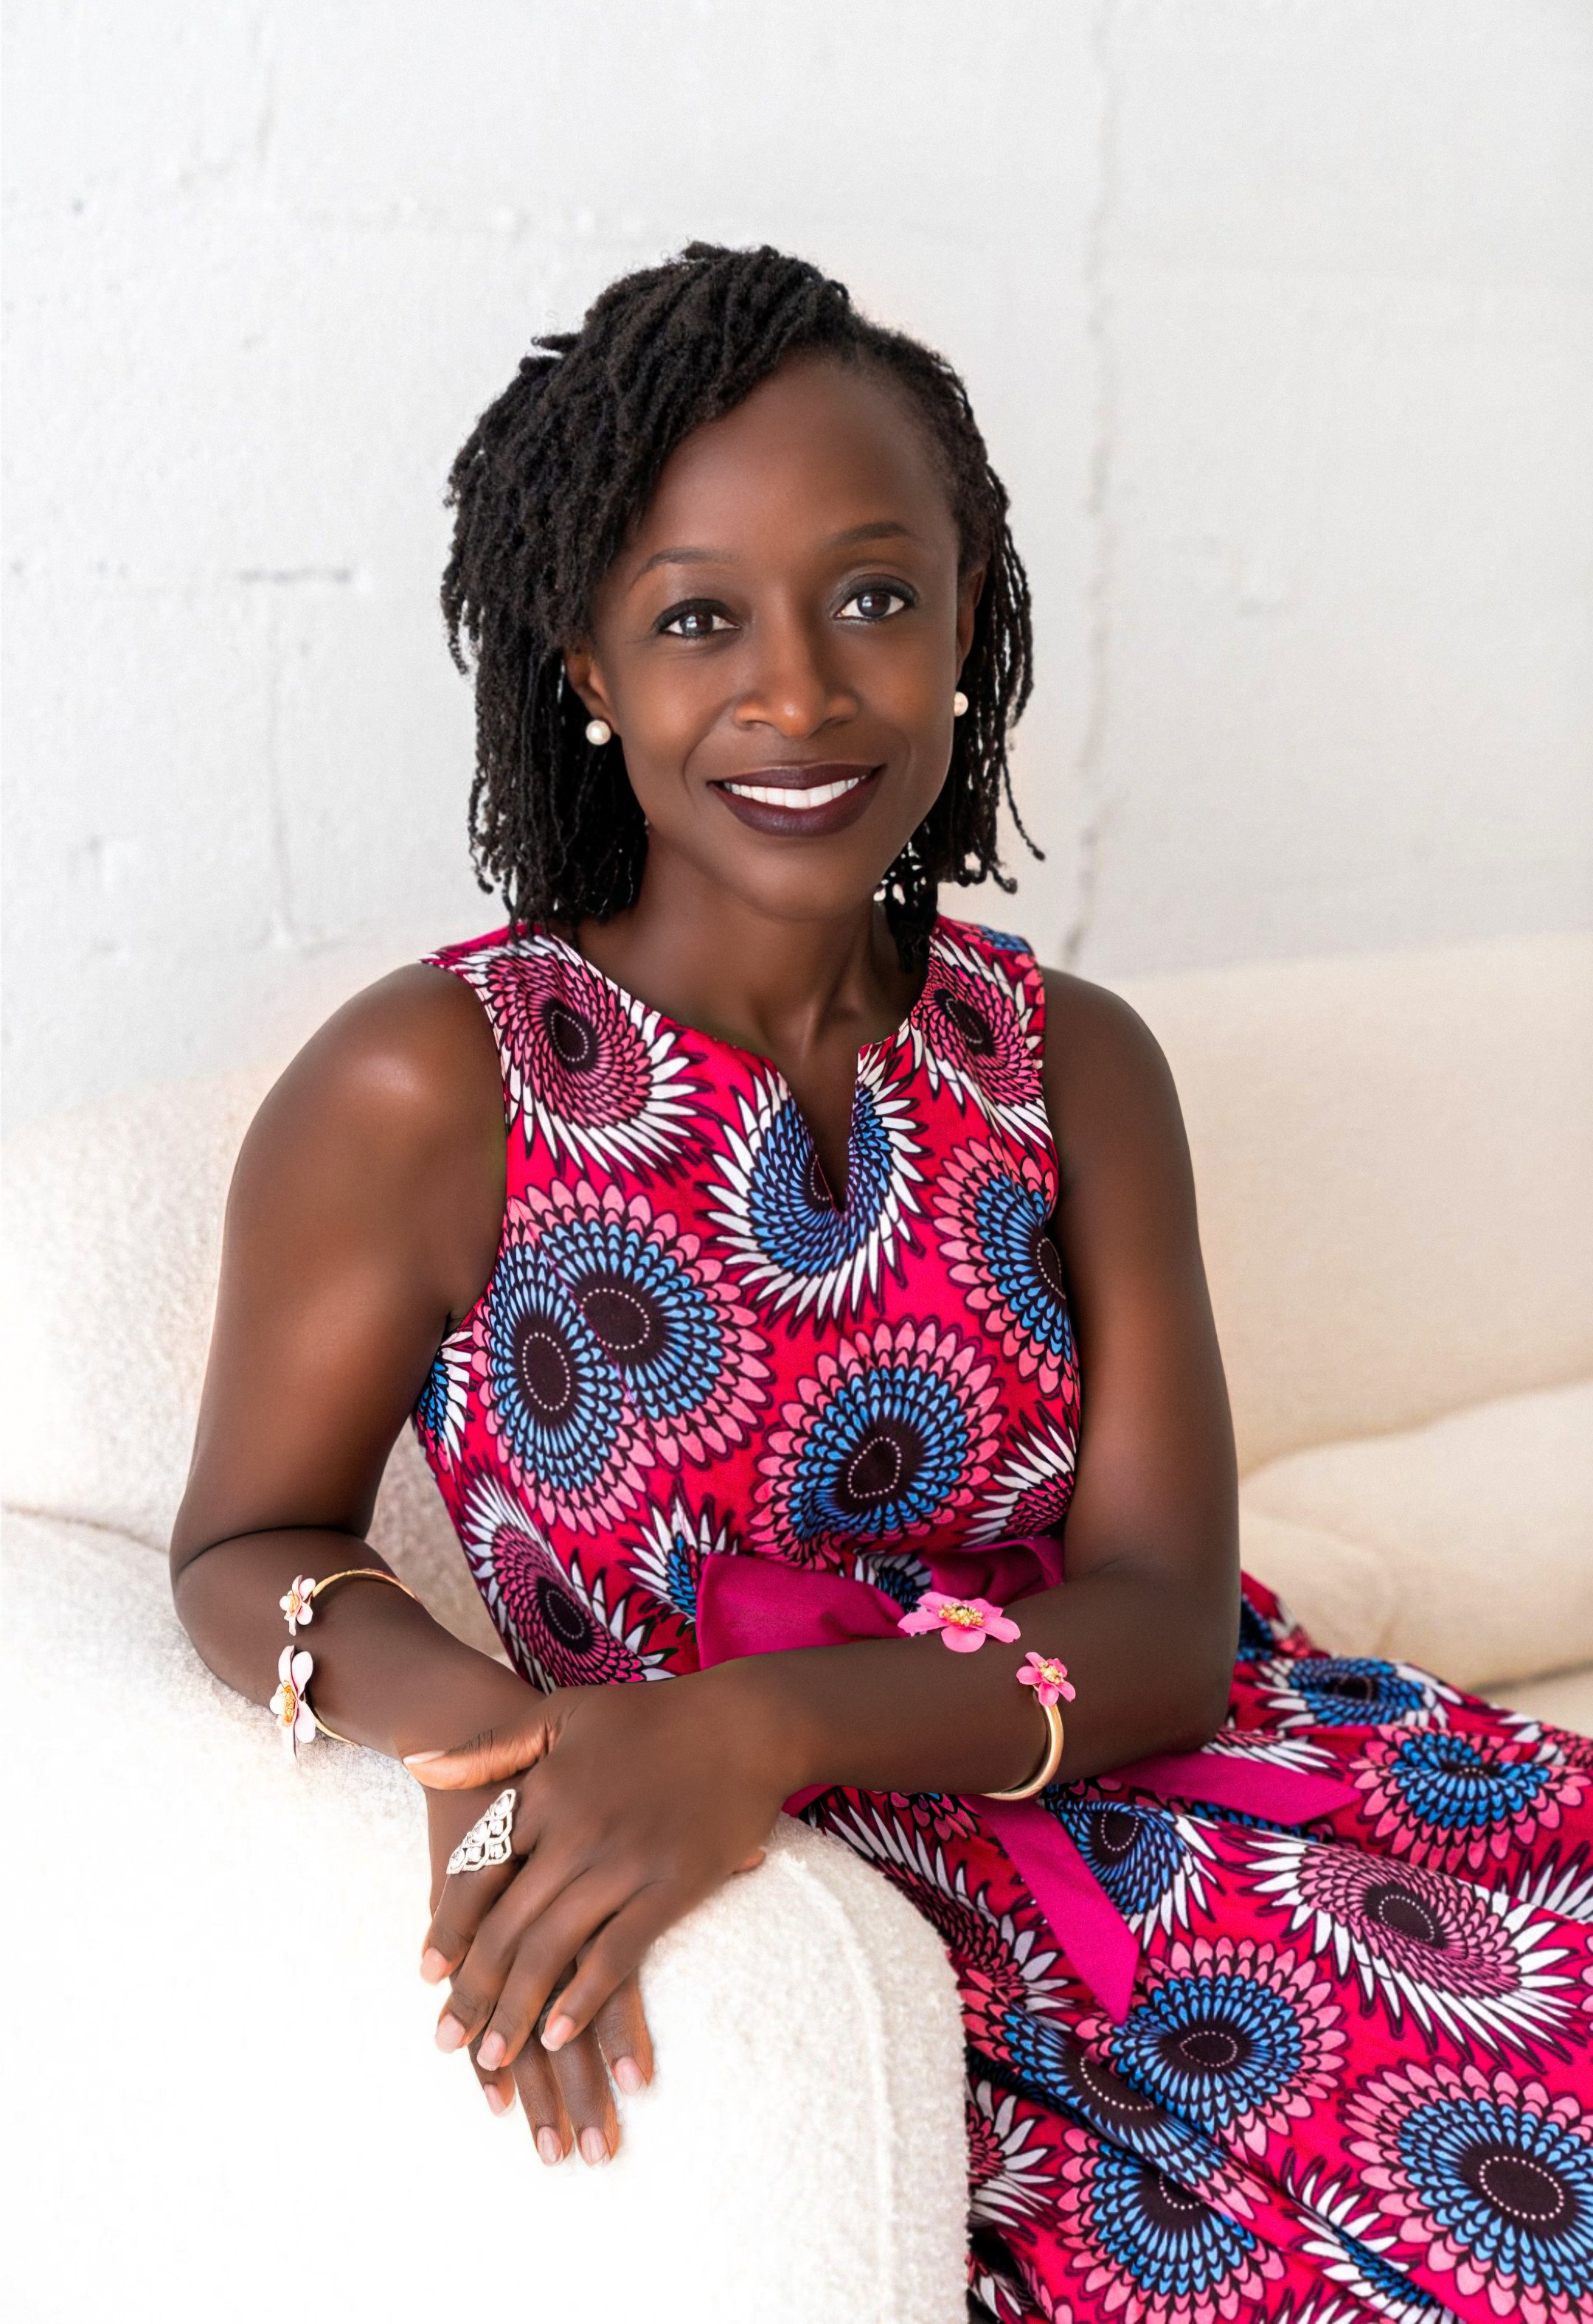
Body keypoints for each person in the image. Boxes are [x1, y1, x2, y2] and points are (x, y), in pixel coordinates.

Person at [172, 243, 1593, 2324]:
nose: (801, 694)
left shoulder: (1075, 1062)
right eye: (693, 620)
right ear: (585, 663)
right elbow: (246, 1537)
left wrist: (748, 1727)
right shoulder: (427, 1085)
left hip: (1213, 1793)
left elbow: (1167, 1627)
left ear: (965, 624)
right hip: (885, 1924)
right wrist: (489, 1741)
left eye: (871, 597)